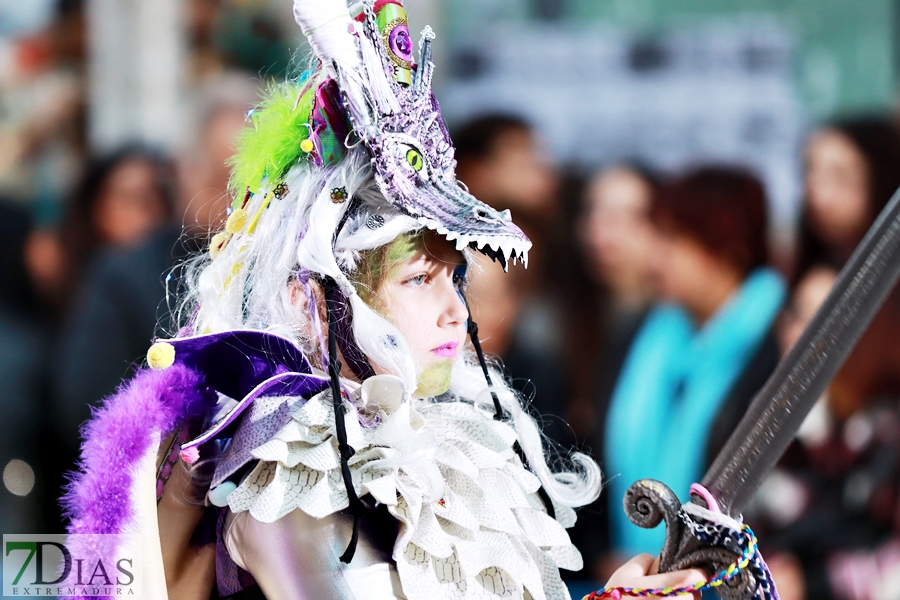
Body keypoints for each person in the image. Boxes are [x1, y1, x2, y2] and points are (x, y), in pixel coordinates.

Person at [60, 1, 707, 598]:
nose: (457, 310)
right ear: (315, 303)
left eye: (453, 278)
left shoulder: (449, 443)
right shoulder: (290, 479)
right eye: (419, 280)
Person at [602, 167, 786, 565]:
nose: (655, 258)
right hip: (628, 574)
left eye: (674, 240)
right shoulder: (644, 335)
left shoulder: (779, 345)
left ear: (728, 248)